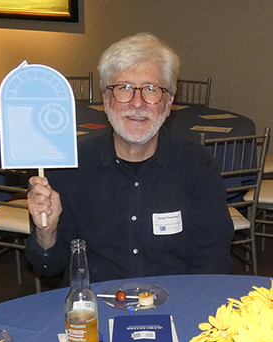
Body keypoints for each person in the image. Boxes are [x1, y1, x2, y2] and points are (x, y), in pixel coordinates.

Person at [25, 33, 233, 283]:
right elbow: (49, 268)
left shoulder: (197, 165)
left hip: (175, 306)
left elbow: (213, 263)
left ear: (167, 104)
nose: (137, 103)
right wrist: (46, 232)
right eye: (123, 88)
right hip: (97, 310)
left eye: (150, 89)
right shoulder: (71, 167)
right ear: (105, 100)